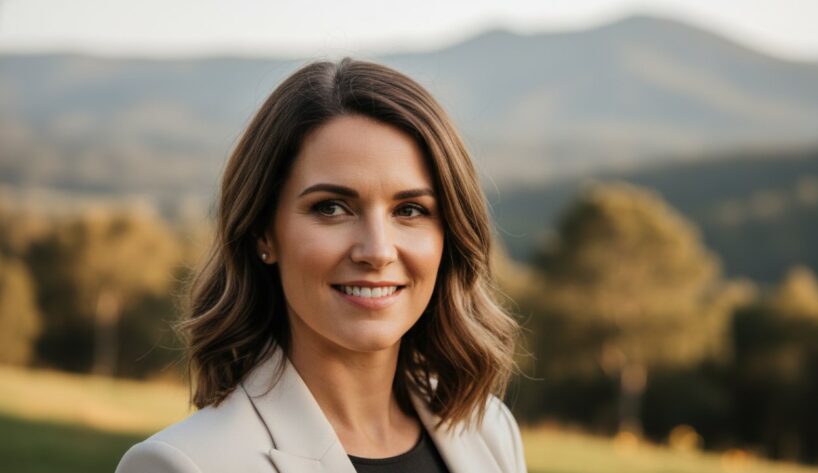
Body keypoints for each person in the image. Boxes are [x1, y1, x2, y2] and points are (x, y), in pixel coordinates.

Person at [116, 57, 525, 473]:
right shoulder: (185, 464)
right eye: (331, 208)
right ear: (263, 232)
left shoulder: (490, 431)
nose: (378, 251)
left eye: (410, 209)